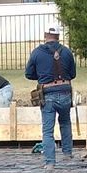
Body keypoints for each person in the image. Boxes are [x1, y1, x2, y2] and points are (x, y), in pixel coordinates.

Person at [24, 27, 77, 164]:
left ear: (45, 35)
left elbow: (29, 74)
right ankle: (67, 154)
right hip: (65, 91)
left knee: (47, 130)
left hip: (47, 94)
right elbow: (73, 74)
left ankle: (50, 162)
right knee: (65, 123)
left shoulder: (37, 53)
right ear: (58, 36)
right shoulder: (66, 52)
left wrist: (42, 76)